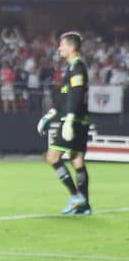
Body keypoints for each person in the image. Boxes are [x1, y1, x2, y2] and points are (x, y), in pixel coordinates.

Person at [36, 31, 92, 215]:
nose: (59, 48)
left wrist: (68, 119)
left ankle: (76, 196)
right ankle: (84, 204)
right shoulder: (71, 68)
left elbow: (75, 96)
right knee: (76, 159)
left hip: (73, 120)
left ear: (72, 47)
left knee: (52, 157)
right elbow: (65, 97)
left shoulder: (77, 68)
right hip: (78, 120)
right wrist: (50, 115)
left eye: (62, 45)